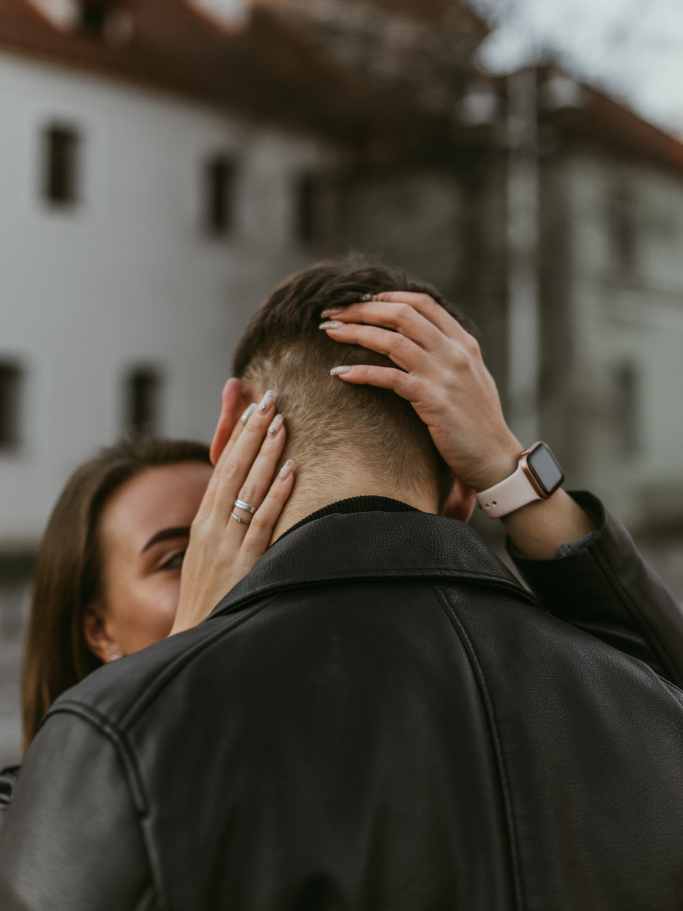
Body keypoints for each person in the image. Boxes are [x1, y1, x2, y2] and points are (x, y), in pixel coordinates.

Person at [2, 259, 683, 910]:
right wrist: (513, 474)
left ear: (231, 426)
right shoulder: (647, 710)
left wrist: (165, 687)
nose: (220, 552)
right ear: (460, 489)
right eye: (177, 556)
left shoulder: (116, 739)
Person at [0, 407, 295, 819]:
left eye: (255, 532)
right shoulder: (34, 816)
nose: (237, 565)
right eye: (178, 558)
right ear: (100, 632)